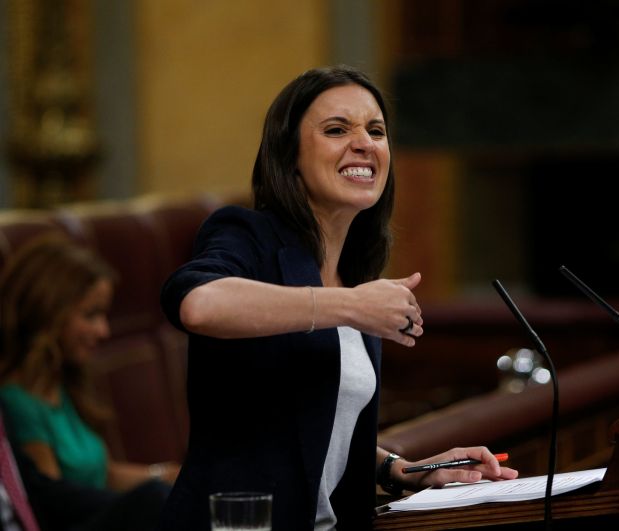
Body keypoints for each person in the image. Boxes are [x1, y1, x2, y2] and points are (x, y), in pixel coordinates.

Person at [158, 65, 518, 531]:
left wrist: (405, 471)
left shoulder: (354, 276)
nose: (364, 143)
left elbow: (312, 428)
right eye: (336, 130)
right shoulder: (248, 235)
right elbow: (198, 304)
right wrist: (349, 306)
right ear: (289, 155)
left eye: (376, 130)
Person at [0, 235, 180, 529]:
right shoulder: (16, 401)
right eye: (91, 314)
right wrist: (157, 494)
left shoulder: (60, 384)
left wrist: (169, 475)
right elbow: (56, 504)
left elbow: (103, 474)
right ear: (49, 313)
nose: (103, 330)